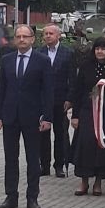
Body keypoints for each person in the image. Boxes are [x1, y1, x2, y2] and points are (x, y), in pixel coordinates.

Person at [0, 24, 54, 208]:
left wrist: (47, 117)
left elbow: (48, 91)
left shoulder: (42, 61)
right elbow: (1, 90)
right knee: (10, 158)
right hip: (10, 116)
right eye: (18, 36)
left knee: (33, 159)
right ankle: (11, 196)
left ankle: (32, 197)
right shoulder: (7, 60)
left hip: (33, 116)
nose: (21, 40)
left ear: (32, 39)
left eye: (25, 37)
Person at [70, 37, 105, 196]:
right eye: (97, 48)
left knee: (101, 146)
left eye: (103, 48)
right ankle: (84, 181)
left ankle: (98, 182)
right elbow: (78, 91)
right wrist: (75, 115)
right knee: (85, 144)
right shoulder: (86, 66)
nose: (100, 51)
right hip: (87, 111)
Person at [37, 24, 75, 178]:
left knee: (61, 134)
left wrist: (69, 98)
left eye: (51, 33)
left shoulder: (68, 53)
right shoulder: (38, 53)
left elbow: (72, 78)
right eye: (45, 33)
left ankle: (59, 165)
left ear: (58, 35)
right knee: (42, 134)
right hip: (42, 100)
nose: (47, 36)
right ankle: (44, 165)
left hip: (61, 99)